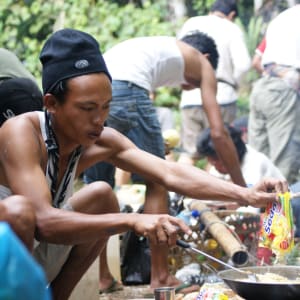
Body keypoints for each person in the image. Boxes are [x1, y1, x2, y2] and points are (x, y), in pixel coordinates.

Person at [0, 28, 287, 300]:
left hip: (34, 256)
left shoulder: (102, 138)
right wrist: (133, 220)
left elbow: (169, 172)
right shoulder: (20, 132)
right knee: (19, 211)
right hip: (7, 257)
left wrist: (246, 194)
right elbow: (44, 223)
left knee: (101, 195)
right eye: (87, 108)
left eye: (106, 107)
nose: (99, 119)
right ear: (51, 103)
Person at [83, 29, 247, 292]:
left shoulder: (153, 47)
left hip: (94, 93)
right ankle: (161, 277)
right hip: (127, 88)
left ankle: (103, 277)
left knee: (99, 188)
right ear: (205, 56)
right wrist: (242, 190)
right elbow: (218, 132)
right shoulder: (202, 62)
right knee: (157, 179)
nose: (190, 87)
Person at [177, 0, 251, 167]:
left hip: (190, 97)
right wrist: (235, 84)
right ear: (231, 15)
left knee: (189, 153)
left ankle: (177, 193)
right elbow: (244, 64)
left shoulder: (191, 23)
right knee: (218, 152)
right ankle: (214, 193)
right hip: (222, 96)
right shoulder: (231, 28)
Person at [248, 4, 300, 184]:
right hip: (284, 90)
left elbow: (257, 61)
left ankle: (254, 210)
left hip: (263, 86)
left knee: (257, 161)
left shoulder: (283, 17)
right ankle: (282, 211)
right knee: (284, 164)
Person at [196, 124, 285, 212]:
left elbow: (251, 210)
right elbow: (208, 198)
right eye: (210, 160)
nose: (212, 164)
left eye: (215, 159)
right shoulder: (218, 165)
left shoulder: (255, 163)